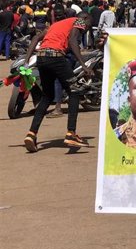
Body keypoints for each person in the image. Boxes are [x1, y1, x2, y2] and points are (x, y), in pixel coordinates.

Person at [22, 11, 94, 152]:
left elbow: (36, 38)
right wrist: (83, 65)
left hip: (42, 57)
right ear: (84, 18)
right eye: (88, 25)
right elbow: (73, 41)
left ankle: (31, 134)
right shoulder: (78, 20)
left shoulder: (55, 25)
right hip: (56, 57)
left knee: (47, 97)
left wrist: (26, 61)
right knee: (74, 91)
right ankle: (71, 133)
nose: (86, 28)